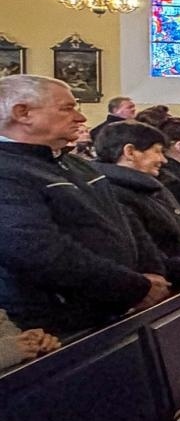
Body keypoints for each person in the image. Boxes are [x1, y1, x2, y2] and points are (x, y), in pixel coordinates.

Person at [0, 76, 169, 336]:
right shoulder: (7, 170)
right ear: (23, 113)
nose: (80, 117)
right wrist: (134, 287)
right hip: (61, 324)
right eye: (67, 108)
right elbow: (38, 251)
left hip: (113, 307)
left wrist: (152, 272)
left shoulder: (74, 163)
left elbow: (123, 219)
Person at [93, 120, 180, 287]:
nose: (163, 160)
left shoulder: (151, 185)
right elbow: (143, 247)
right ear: (130, 152)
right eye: (157, 151)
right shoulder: (114, 193)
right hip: (163, 284)